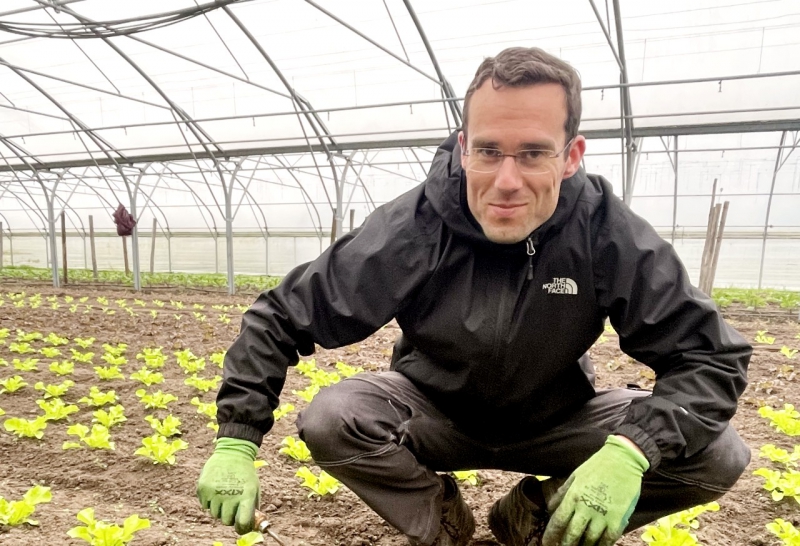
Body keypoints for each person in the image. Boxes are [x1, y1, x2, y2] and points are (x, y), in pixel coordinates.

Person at [197, 47, 752, 546]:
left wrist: (630, 453)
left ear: (572, 155)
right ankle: (442, 522)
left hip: (557, 418)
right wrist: (237, 441)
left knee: (717, 453)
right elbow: (281, 315)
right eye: (489, 151)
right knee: (333, 417)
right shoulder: (413, 227)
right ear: (464, 149)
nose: (506, 180)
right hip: (434, 412)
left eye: (534, 153)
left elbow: (708, 355)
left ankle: (534, 517)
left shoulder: (604, 232)